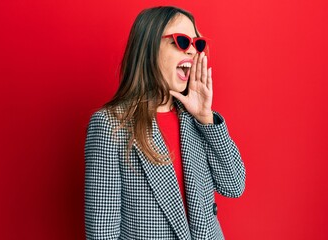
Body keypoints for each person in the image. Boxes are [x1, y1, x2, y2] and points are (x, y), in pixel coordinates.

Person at [85, 6, 246, 240]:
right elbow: (102, 233)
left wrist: (206, 118)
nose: (193, 52)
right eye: (182, 42)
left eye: (198, 44)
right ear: (149, 48)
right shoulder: (111, 125)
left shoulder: (196, 118)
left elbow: (234, 186)